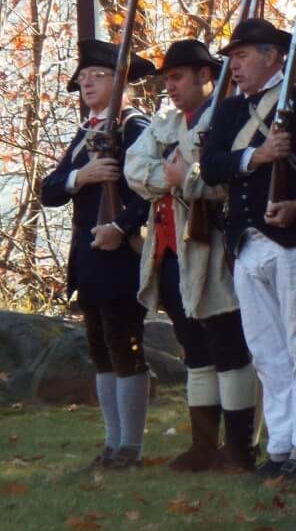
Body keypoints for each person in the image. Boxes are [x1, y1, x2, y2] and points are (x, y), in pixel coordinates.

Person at [200, 17, 296, 479]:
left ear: (273, 57)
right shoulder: (230, 111)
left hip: (294, 239)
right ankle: (278, 445)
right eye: (232, 57)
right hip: (246, 242)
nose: (234, 65)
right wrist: (256, 156)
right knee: (265, 350)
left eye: (242, 56)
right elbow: (211, 166)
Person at [124, 39, 257, 472]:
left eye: (178, 77)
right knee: (195, 351)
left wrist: (185, 176)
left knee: (228, 347)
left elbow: (221, 180)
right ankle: (203, 446)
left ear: (205, 76)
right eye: (167, 79)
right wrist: (173, 176)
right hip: (168, 250)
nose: (171, 86)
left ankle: (239, 448)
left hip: (211, 247)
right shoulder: (164, 122)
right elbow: (134, 168)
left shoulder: (226, 118)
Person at [41, 39, 155, 470]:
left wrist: (119, 227)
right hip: (89, 256)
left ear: (120, 81)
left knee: (125, 349)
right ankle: (112, 444)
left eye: (98, 76)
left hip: (122, 253)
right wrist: (82, 175)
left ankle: (131, 447)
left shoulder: (134, 128)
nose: (86, 83)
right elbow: (50, 190)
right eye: (83, 77)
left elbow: (150, 191)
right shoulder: (87, 132)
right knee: (102, 352)